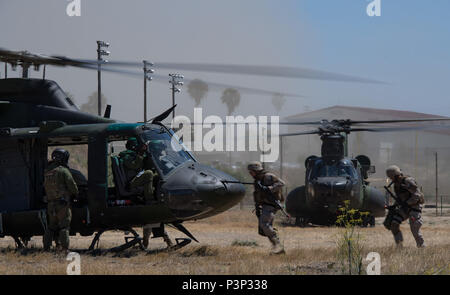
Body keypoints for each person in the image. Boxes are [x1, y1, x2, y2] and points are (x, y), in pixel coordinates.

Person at [43, 148, 78, 252]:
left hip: (50, 204)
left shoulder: (47, 171)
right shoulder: (63, 170)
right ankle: (64, 249)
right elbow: (72, 185)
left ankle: (46, 248)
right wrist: (76, 194)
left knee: (51, 227)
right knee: (64, 227)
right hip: (62, 204)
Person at [248, 161, 286, 254]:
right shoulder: (257, 180)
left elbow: (281, 183)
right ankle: (277, 247)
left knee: (264, 224)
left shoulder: (268, 176)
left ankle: (278, 245)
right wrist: (257, 207)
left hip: (271, 204)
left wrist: (269, 188)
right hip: (264, 205)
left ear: (256, 170)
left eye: (251, 171)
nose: (250, 174)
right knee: (264, 228)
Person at [385, 165, 425, 248]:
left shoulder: (408, 181)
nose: (391, 180)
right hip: (405, 208)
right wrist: (394, 206)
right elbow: (400, 198)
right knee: (394, 224)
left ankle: (422, 247)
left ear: (396, 175)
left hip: (414, 207)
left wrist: (407, 203)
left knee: (415, 229)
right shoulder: (396, 185)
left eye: (391, 177)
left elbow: (417, 196)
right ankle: (399, 247)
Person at [119, 137, 155, 204]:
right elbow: (134, 166)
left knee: (155, 176)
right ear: (133, 146)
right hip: (130, 183)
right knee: (149, 173)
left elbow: (145, 166)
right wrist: (140, 154)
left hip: (137, 178)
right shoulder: (126, 156)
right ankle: (149, 200)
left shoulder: (134, 155)